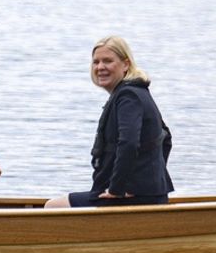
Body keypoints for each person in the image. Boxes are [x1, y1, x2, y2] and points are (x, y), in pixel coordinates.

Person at [45, 36, 174, 208]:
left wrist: (118, 189)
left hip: (132, 198)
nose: (100, 67)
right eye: (96, 62)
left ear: (126, 64)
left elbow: (128, 143)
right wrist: (150, 182)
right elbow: (166, 139)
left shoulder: (128, 97)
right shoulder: (137, 92)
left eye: (108, 61)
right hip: (147, 194)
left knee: (53, 206)